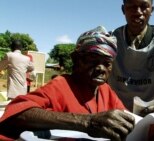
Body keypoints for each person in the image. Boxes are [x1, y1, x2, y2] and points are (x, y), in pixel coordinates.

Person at [0, 26, 135, 141]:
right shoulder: (61, 85)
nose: (101, 68)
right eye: (93, 59)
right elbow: (17, 114)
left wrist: (145, 117)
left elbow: (124, 118)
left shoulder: (105, 90)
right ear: (75, 59)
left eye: (107, 63)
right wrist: (87, 122)